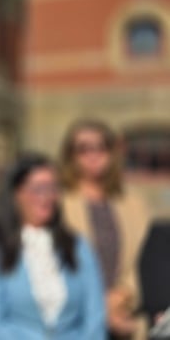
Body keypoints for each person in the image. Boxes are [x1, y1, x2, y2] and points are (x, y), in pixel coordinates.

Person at [0, 153, 106, 340]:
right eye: (38, 188)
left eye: (52, 188)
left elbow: (94, 317)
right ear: (16, 194)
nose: (47, 196)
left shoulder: (77, 246)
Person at [59, 118, 150, 339]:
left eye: (102, 146)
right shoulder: (58, 203)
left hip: (126, 315)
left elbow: (146, 257)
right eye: (83, 148)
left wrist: (123, 296)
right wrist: (99, 306)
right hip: (76, 319)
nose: (93, 154)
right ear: (70, 156)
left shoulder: (133, 202)